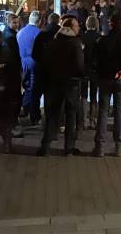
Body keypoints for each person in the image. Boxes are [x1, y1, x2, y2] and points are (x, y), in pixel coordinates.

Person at [37, 16, 84, 156]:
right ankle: (68, 148)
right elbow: (80, 65)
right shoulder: (75, 43)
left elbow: (45, 62)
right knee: (70, 116)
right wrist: (80, 76)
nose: (78, 28)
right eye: (76, 26)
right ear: (70, 28)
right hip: (71, 84)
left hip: (54, 83)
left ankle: (45, 146)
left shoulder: (54, 41)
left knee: (52, 115)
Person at [93, 13, 121, 157]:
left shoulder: (102, 41)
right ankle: (118, 146)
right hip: (120, 79)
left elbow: (95, 61)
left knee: (103, 111)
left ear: (110, 24)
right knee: (119, 111)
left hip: (105, 79)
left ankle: (99, 147)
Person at [32, 12, 61, 128]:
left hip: (42, 69)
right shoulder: (61, 34)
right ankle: (55, 120)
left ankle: (36, 117)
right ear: (58, 21)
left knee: (37, 94)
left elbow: (34, 54)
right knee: (55, 96)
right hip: (57, 70)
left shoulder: (41, 34)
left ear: (48, 21)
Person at [17, 11, 41, 125]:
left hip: (23, 62)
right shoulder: (38, 33)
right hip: (34, 63)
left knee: (27, 87)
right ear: (39, 21)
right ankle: (32, 114)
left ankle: (24, 108)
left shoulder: (20, 32)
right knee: (33, 89)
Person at [80, 14, 101, 127]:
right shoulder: (99, 37)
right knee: (94, 95)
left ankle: (83, 120)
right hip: (95, 70)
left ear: (86, 24)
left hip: (84, 69)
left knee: (83, 95)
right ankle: (93, 120)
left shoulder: (82, 37)